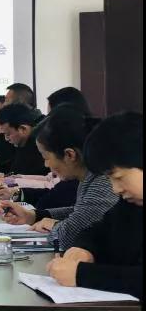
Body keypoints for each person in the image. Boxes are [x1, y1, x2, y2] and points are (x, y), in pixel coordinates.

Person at [47, 112, 142, 300]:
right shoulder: (131, 203)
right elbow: (97, 230)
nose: (115, 189)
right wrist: (83, 249)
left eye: (118, 177)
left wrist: (81, 275)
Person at [0, 106, 119, 250]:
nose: (46, 164)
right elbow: (79, 213)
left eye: (46, 157)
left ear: (69, 155)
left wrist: (54, 225)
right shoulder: (89, 177)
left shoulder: (103, 181)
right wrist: (32, 216)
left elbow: (69, 236)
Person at [0, 103, 49, 176]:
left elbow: (22, 175)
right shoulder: (22, 144)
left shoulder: (39, 147)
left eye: (8, 134)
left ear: (23, 129)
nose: (6, 139)